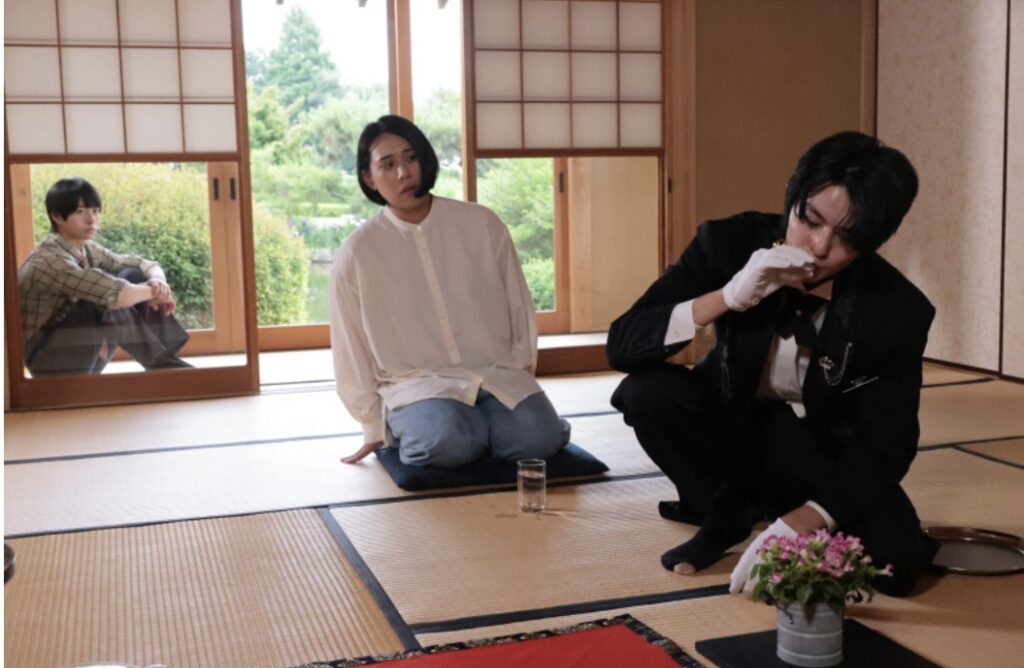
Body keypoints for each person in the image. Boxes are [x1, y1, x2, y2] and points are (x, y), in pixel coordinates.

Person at [607, 131, 937, 597]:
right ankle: (724, 509)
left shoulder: (898, 309)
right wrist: (727, 296)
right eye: (809, 220)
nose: (819, 247)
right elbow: (623, 344)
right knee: (648, 394)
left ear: (872, 243)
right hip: (727, 422)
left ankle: (771, 508)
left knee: (897, 563)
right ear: (792, 198)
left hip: (814, 444)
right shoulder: (727, 242)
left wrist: (805, 520)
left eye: (847, 238)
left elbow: (891, 443)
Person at [330, 115, 569, 468]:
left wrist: (521, 373)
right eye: (388, 165)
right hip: (418, 385)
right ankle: (447, 430)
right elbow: (350, 346)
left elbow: (518, 307)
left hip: (495, 374)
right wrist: (371, 424)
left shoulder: (482, 224)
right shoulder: (357, 252)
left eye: (411, 158)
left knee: (540, 439)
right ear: (369, 177)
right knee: (445, 442)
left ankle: (484, 430)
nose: (403, 173)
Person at [18, 177, 191, 376]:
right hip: (45, 360)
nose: (91, 220)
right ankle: (167, 369)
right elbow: (117, 294)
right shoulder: (50, 260)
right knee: (104, 299)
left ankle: (167, 364)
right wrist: (155, 292)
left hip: (75, 347)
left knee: (132, 274)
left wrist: (159, 282)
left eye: (95, 211)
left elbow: (141, 264)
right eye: (80, 212)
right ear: (56, 216)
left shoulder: (85, 247)